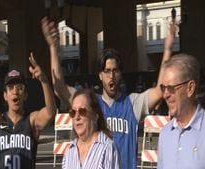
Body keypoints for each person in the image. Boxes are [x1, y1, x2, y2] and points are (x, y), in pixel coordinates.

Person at [41, 16, 176, 169]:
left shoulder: (133, 103)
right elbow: (60, 88)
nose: (111, 76)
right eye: (107, 71)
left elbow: (160, 89)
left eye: (115, 71)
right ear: (100, 75)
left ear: (120, 74)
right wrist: (53, 47)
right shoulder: (91, 103)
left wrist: (167, 49)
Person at [157, 54, 205, 169]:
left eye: (171, 88)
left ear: (190, 88)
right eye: (164, 88)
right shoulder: (165, 134)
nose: (165, 95)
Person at [62, 89, 119, 169]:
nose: (77, 117)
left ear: (95, 115)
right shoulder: (69, 150)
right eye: (73, 112)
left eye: (82, 111)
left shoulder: (107, 147)